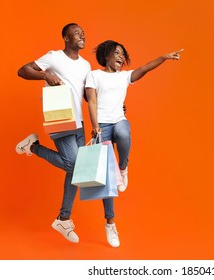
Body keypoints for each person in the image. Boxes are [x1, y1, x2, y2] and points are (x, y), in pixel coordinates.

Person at [15, 24, 120, 248]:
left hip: (79, 122)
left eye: (84, 32)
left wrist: (111, 104)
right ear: (66, 37)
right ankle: (33, 148)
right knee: (73, 165)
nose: (82, 35)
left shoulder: (85, 65)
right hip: (60, 116)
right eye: (77, 32)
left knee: (78, 172)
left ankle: (64, 219)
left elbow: (86, 95)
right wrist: (45, 74)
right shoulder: (53, 57)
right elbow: (22, 70)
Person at [85, 40, 183, 194]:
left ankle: (123, 169)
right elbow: (91, 101)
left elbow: (144, 68)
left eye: (123, 54)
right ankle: (110, 217)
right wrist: (95, 126)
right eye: (117, 53)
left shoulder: (124, 76)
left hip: (119, 120)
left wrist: (163, 58)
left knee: (124, 133)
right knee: (107, 174)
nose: (121, 57)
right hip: (102, 125)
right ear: (106, 56)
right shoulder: (94, 75)